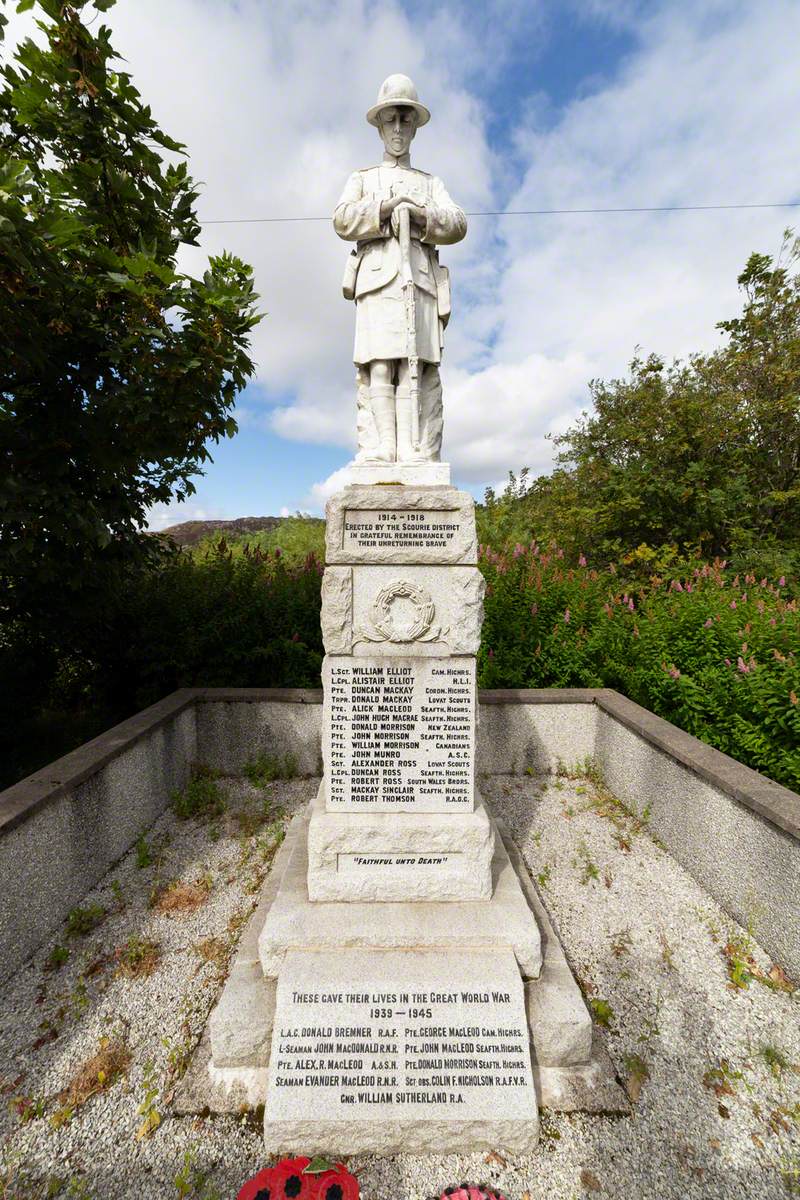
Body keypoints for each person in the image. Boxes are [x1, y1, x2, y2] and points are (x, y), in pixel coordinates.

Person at [333, 74, 467, 464]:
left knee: (415, 368)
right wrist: (383, 210)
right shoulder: (362, 179)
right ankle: (381, 447)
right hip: (376, 282)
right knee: (379, 365)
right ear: (378, 126)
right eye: (390, 119)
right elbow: (341, 220)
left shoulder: (430, 183)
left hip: (419, 283)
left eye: (405, 120)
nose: (397, 128)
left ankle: (414, 449)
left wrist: (422, 216)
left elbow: (458, 222)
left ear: (414, 127)